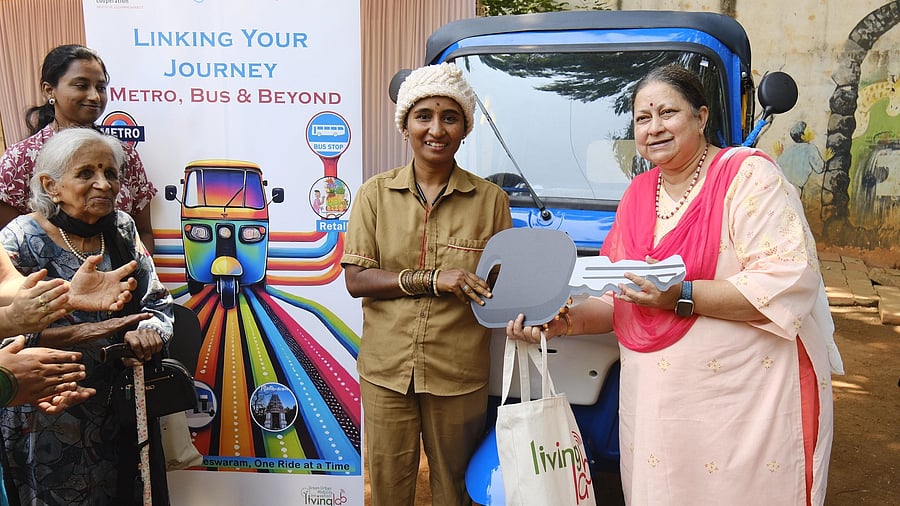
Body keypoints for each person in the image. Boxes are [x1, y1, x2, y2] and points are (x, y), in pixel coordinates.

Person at [508, 65, 843, 505]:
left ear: (701, 117)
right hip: (657, 408)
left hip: (743, 402)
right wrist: (562, 321)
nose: (654, 127)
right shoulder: (638, 194)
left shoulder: (748, 178)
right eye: (642, 118)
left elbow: (786, 280)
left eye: (668, 112)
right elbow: (619, 297)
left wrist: (682, 296)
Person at [341, 62, 512, 505]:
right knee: (388, 491)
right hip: (386, 371)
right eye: (424, 116)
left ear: (464, 128)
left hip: (458, 374)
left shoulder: (490, 201)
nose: (436, 129)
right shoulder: (374, 194)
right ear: (406, 125)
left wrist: (543, 304)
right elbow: (357, 279)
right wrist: (435, 279)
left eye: (449, 117)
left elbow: (502, 289)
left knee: (456, 490)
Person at [0, 127, 174, 505]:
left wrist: (147, 332)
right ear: (51, 185)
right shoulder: (18, 238)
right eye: (86, 174)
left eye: (110, 173)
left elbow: (157, 303)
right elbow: (4, 334)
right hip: (45, 407)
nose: (104, 184)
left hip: (120, 405)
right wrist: (76, 332)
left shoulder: (123, 228)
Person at [0, 44, 157, 255]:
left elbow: (143, 232)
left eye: (100, 87)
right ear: (49, 90)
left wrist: (135, 276)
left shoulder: (124, 154)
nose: (94, 96)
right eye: (81, 85)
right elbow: (8, 248)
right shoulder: (20, 159)